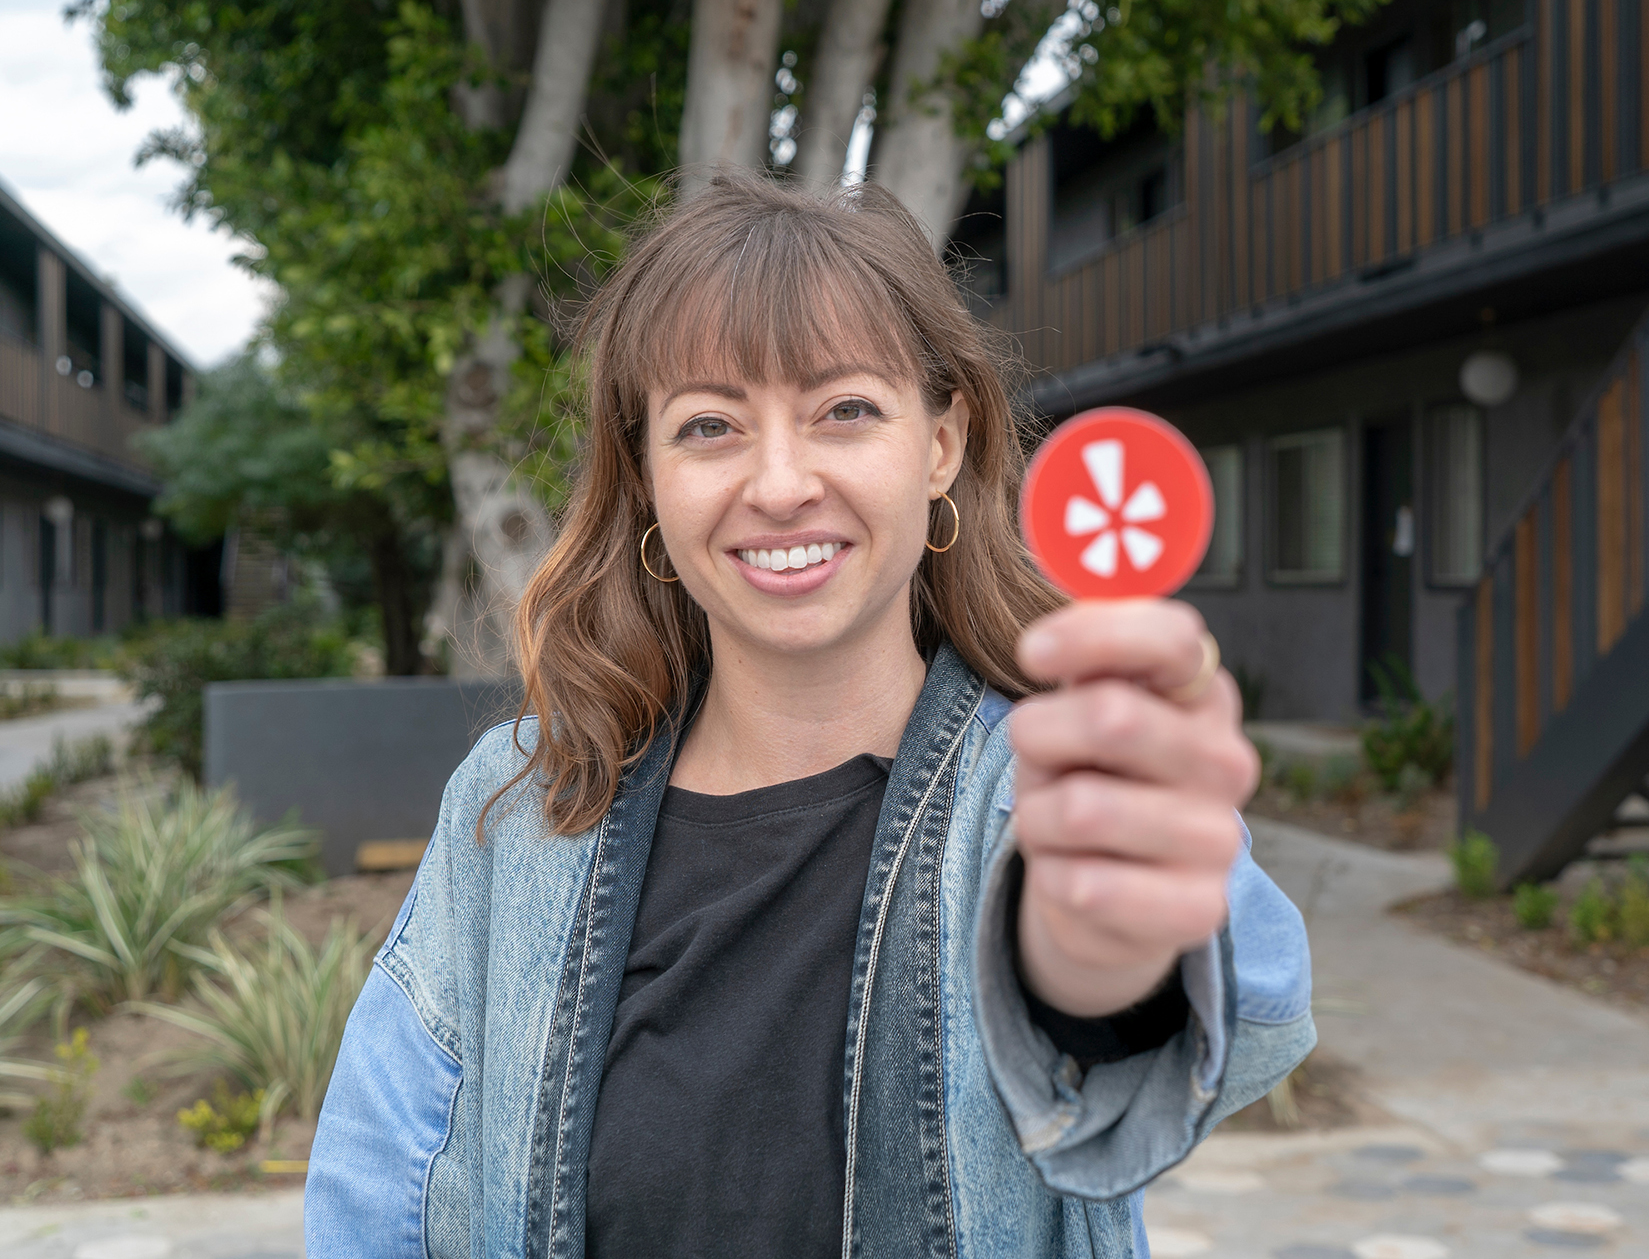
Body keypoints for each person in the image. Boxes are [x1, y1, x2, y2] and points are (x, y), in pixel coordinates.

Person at [303, 170, 1313, 1259]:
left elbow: (1243, 1011)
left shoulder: (1051, 775)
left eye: (844, 410)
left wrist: (1092, 964)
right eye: (707, 426)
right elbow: (375, 1202)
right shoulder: (521, 806)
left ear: (940, 444)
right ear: (646, 477)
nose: (779, 483)